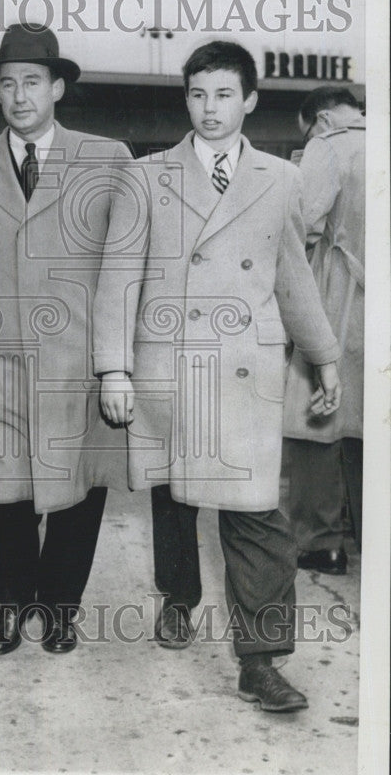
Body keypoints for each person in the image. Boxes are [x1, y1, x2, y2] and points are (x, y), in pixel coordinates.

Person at [94, 41, 342, 712]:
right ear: (186, 100)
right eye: (198, 95)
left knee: (256, 517)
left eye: (224, 95)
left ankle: (260, 663)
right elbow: (118, 279)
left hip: (245, 372)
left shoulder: (280, 180)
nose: (209, 109)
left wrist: (323, 355)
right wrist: (112, 368)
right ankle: (178, 596)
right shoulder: (146, 177)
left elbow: (292, 275)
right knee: (177, 499)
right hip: (170, 367)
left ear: (250, 100)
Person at [0, 23, 127, 656]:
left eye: (31, 81)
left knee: (77, 495)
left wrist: (121, 364)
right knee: (1, 495)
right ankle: (14, 601)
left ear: (58, 86)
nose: (18, 95)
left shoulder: (109, 159)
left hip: (79, 367)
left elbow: (126, 271)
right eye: (6, 84)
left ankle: (61, 607)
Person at [283, 86, 365, 573]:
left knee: (315, 419)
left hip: (344, 296)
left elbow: (301, 223)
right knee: (372, 423)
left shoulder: (329, 145)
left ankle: (321, 543)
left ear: (321, 120)